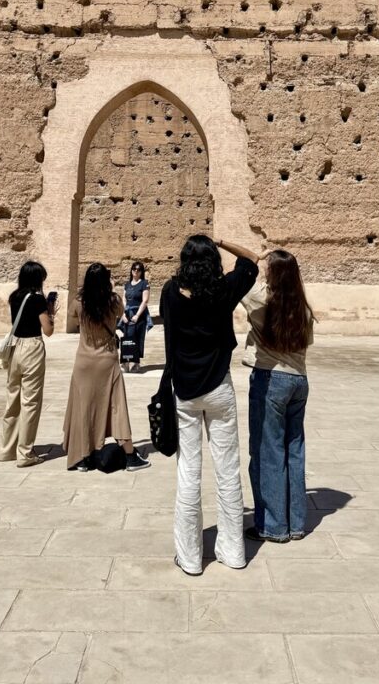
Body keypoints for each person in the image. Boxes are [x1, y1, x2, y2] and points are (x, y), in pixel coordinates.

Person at [160, 234, 264, 576]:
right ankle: (233, 552)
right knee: (227, 470)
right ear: (213, 262)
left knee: (188, 472)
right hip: (219, 387)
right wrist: (220, 241)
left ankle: (190, 557)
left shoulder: (170, 292)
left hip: (185, 391)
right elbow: (252, 261)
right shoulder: (223, 290)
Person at [241, 249, 314, 542]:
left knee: (267, 452)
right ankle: (295, 523)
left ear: (274, 273)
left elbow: (244, 269)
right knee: (294, 451)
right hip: (299, 381)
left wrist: (253, 255)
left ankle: (272, 526)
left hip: (271, 379)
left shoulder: (261, 299)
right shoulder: (304, 308)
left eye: (268, 268)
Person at [63, 262, 150, 472]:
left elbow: (73, 320)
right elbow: (121, 314)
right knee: (117, 407)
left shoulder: (78, 302)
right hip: (107, 361)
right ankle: (130, 455)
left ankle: (83, 457)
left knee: (84, 407)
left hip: (84, 362)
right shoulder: (113, 301)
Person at [0, 260, 56, 468]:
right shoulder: (38, 299)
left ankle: (7, 450)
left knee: (12, 400)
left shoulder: (14, 297)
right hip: (32, 348)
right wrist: (51, 313)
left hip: (15, 348)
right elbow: (48, 331)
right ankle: (25, 453)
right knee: (30, 402)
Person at [120, 260, 151, 373]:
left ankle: (135, 363)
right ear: (131, 270)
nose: (136, 271)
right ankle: (125, 362)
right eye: (134, 269)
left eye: (138, 269)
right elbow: (124, 300)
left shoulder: (144, 284)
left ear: (141, 272)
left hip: (139, 314)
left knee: (137, 338)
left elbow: (145, 301)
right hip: (127, 314)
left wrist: (137, 315)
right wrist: (123, 314)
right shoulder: (127, 284)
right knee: (127, 338)